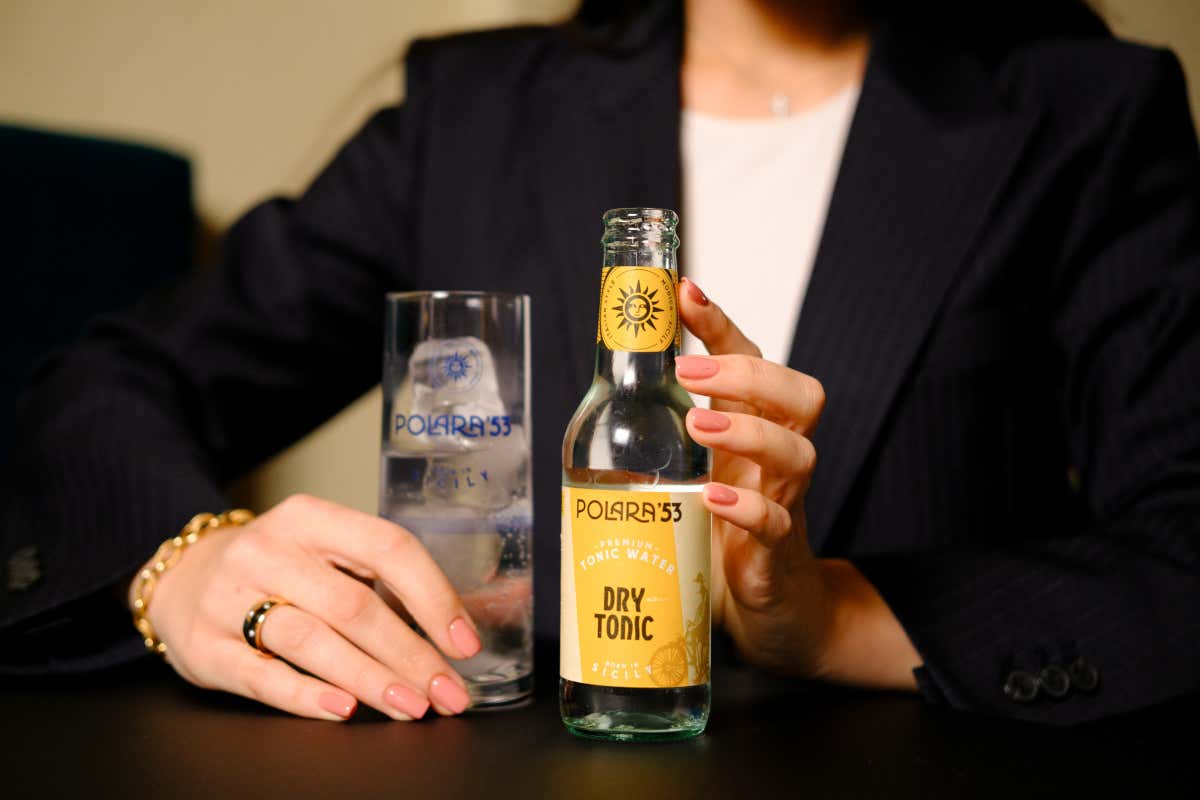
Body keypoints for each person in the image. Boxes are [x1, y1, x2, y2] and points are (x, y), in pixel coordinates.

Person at [2, 0, 1198, 725]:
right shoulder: (468, 111)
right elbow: (105, 387)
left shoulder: (1087, 109)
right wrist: (181, 563)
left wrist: (830, 614)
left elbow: (1183, 541)